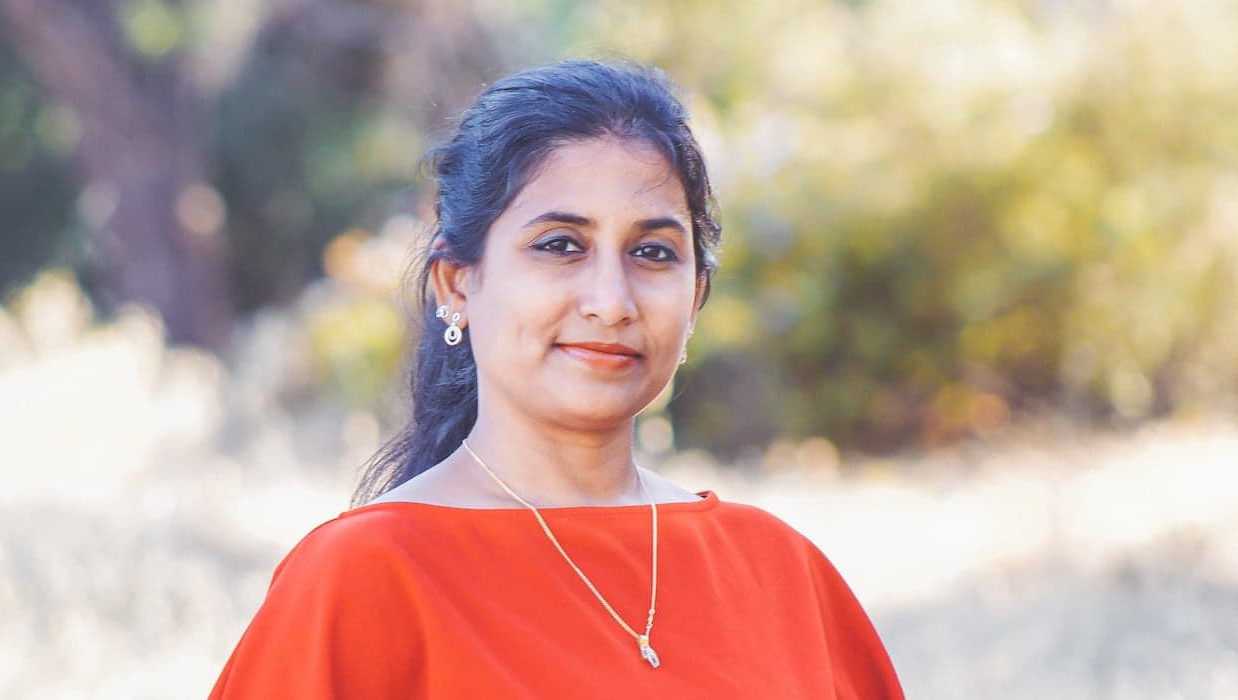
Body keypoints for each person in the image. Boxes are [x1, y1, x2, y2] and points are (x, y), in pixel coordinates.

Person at [210, 59, 904, 698]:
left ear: (694, 299)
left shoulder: (778, 572)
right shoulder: (366, 575)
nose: (611, 300)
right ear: (456, 284)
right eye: (561, 245)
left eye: (653, 252)